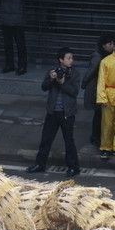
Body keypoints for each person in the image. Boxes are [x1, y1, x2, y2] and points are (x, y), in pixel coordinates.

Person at [26, 47, 80, 177]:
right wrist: (51, 79)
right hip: (52, 112)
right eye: (68, 58)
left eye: (72, 58)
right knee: (46, 139)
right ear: (61, 60)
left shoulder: (75, 74)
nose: (71, 60)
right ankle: (40, 164)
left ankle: (73, 167)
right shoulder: (52, 71)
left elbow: (74, 92)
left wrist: (62, 83)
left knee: (69, 141)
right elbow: (44, 87)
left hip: (67, 113)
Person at [82, 34, 115, 148]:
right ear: (103, 45)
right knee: (99, 114)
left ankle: (97, 137)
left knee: (100, 114)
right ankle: (96, 137)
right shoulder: (98, 56)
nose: (112, 46)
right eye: (110, 44)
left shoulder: (107, 55)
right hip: (97, 88)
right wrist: (84, 83)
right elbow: (91, 71)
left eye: (113, 44)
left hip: (102, 88)